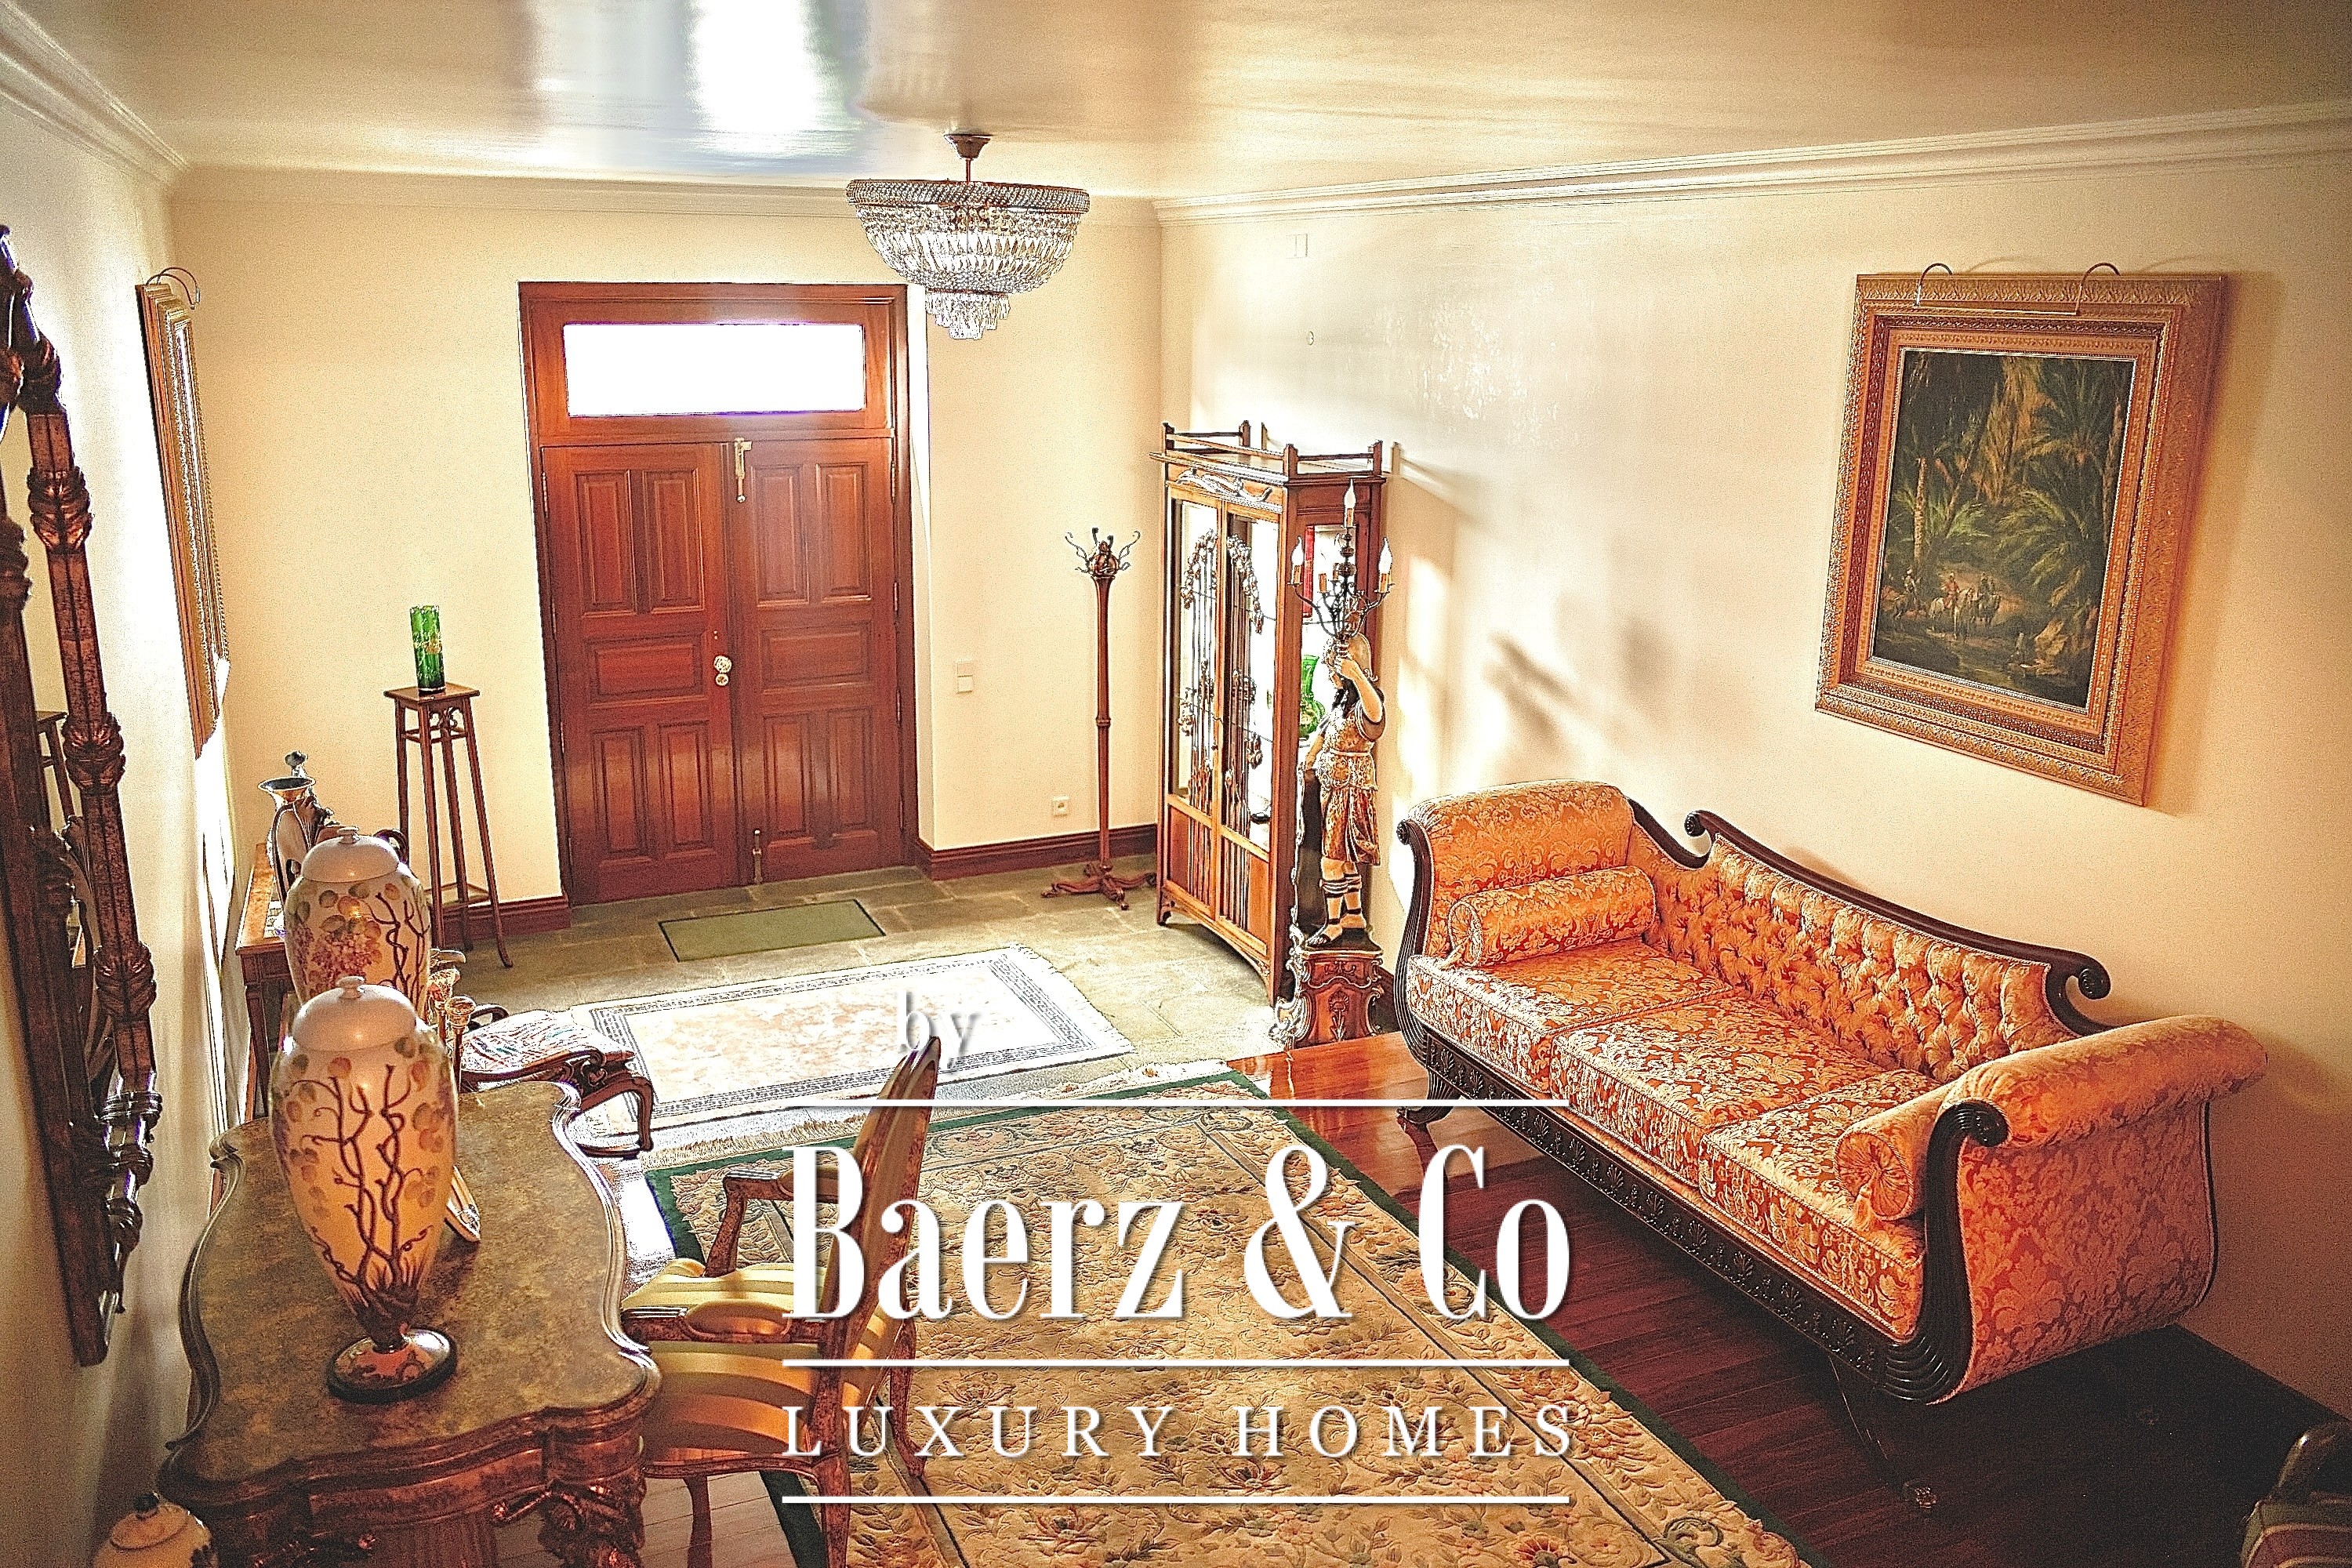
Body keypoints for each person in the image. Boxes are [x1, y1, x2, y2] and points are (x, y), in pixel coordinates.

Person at [1300, 630, 1385, 945]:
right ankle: (1354, 914)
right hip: (1332, 786)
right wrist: (1311, 756)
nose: (1330, 676)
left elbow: (1376, 714)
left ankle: (1333, 923)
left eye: (1334, 670)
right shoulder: (1341, 705)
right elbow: (1324, 731)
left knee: (1332, 858)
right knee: (1344, 857)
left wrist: (1357, 675)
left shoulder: (1365, 703)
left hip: (1349, 789)